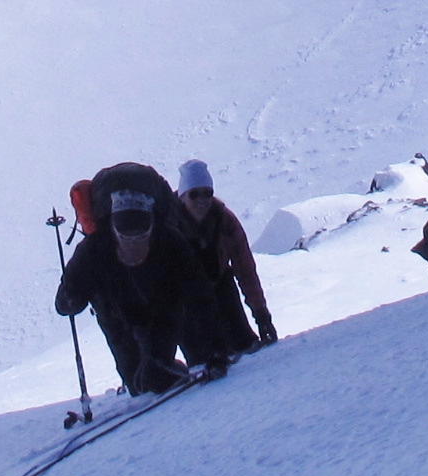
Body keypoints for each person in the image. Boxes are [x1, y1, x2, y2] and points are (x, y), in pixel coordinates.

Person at [53, 163, 236, 392]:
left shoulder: (170, 242)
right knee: (138, 382)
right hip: (117, 312)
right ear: (113, 230)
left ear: (152, 228)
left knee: (153, 379)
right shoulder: (94, 250)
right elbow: (63, 304)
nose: (133, 245)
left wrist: (216, 349)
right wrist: (72, 296)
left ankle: (160, 369)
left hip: (159, 307)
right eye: (126, 239)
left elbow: (200, 296)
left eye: (140, 238)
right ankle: (152, 373)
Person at [175, 158, 278, 350]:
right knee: (201, 357)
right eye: (194, 194)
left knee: (243, 345)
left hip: (220, 286)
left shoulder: (225, 220)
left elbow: (245, 268)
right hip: (184, 299)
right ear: (182, 196)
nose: (202, 200)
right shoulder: (168, 224)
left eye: (207, 193)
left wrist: (261, 314)